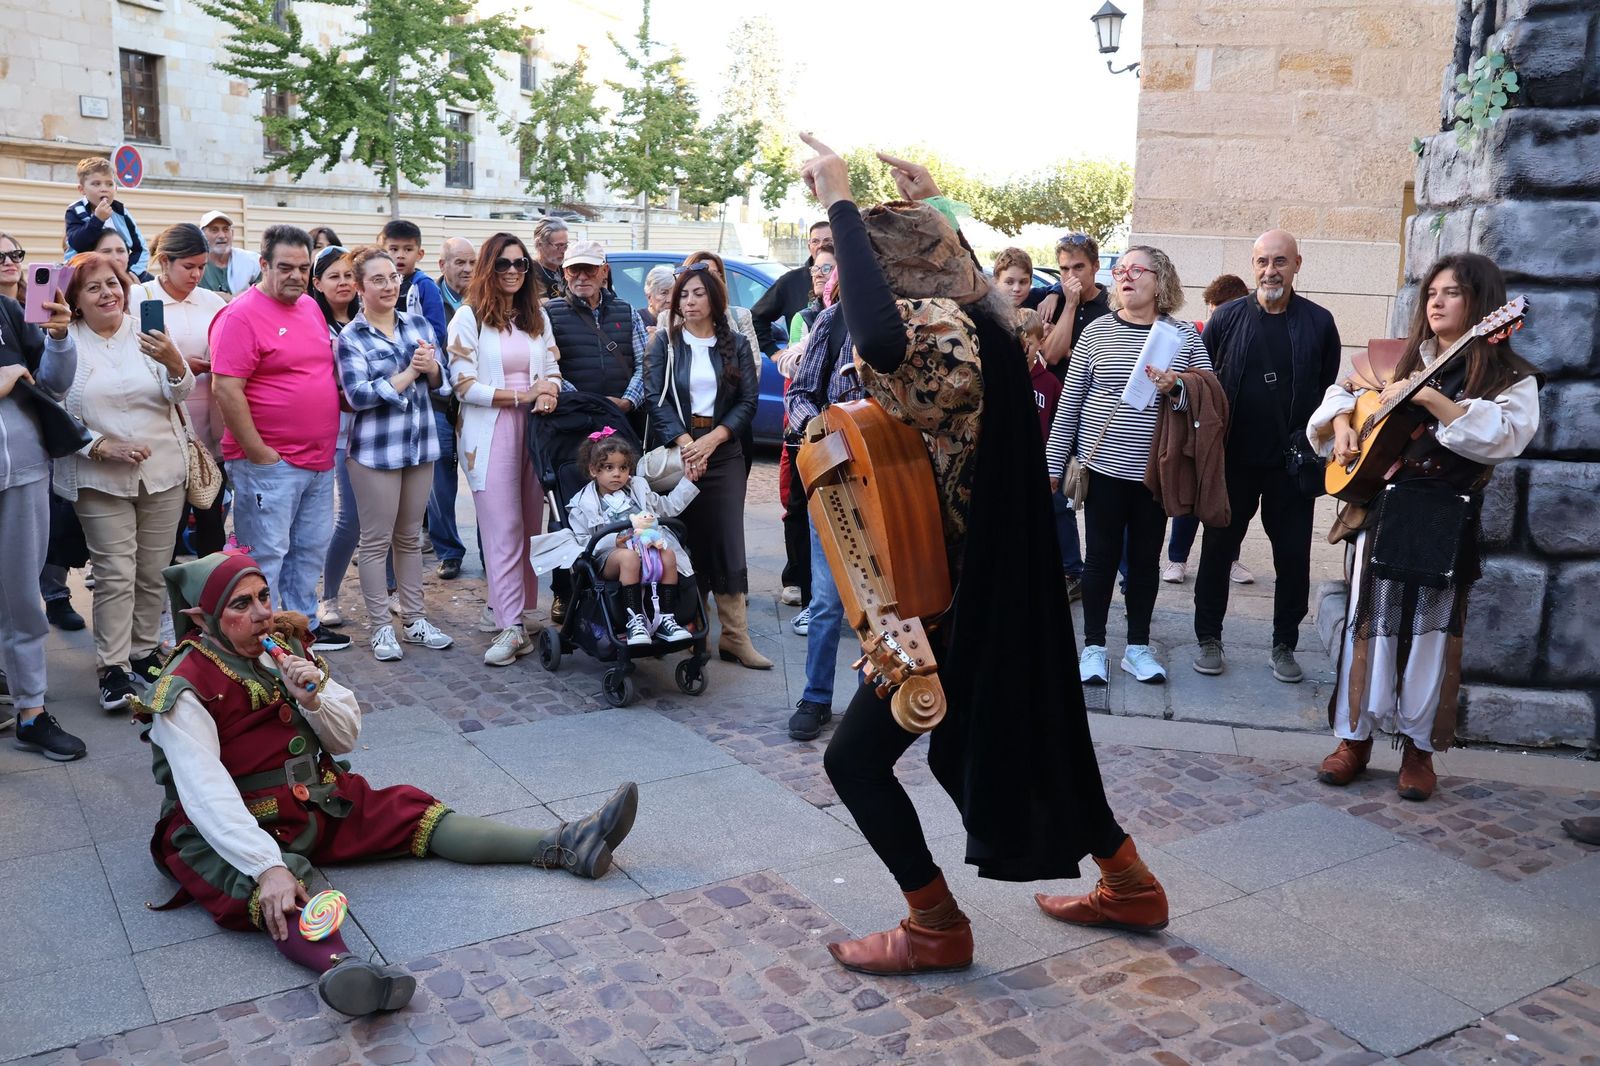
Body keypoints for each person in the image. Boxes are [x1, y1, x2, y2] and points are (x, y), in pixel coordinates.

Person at [797, 136, 1168, 977]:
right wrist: (941, 205)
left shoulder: (944, 342)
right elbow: (947, 275)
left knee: (852, 760)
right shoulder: (988, 324)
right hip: (992, 588)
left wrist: (843, 207)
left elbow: (883, 338)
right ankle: (1130, 884)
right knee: (1018, 741)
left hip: (955, 600)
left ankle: (934, 924)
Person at [139, 550, 639, 1016]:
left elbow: (345, 738)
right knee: (279, 883)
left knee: (406, 811)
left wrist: (312, 699)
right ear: (202, 620)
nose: (262, 614)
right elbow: (206, 794)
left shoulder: (284, 647)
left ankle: (564, 843)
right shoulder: (184, 686)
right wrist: (266, 865)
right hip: (230, 824)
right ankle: (344, 970)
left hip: (315, 798)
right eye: (241, 605)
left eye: (263, 597)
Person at [1310, 252, 1539, 801]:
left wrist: (1430, 396)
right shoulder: (1400, 355)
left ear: (1482, 304)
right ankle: (1354, 738)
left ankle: (1418, 748)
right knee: (1368, 626)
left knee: (1430, 634)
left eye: (1452, 292)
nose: (1436, 301)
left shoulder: (1509, 377)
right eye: (1432, 292)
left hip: (1443, 512)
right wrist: (1344, 423)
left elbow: (1505, 437)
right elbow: (1344, 390)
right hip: (1382, 508)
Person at [1045, 247, 1213, 685]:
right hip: (1103, 470)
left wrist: (1176, 386)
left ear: (1161, 279)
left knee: (1144, 561)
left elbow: (1211, 396)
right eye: (1120, 270)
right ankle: (1094, 647)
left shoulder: (1183, 336)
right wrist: (1052, 463)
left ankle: (1137, 647)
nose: (1125, 277)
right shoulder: (1097, 332)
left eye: (1137, 270)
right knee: (1099, 559)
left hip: (1158, 473)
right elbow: (1069, 406)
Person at [1191, 232, 1342, 683]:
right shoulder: (1228, 318)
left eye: (1280, 261)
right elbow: (1207, 378)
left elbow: (1325, 389)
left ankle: (1284, 644)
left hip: (1290, 467)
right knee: (1217, 550)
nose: (1270, 270)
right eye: (1262, 262)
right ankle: (1208, 638)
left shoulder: (1319, 322)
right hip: (1232, 461)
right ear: (1252, 265)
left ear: (1298, 263)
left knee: (1293, 558)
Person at [54, 252, 195, 710]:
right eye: (93, 287)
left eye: (113, 283)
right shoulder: (64, 342)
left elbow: (180, 392)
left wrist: (175, 362)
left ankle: (145, 651)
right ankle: (112, 667)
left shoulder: (146, 331)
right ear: (75, 299)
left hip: (163, 471)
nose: (107, 293)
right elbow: (54, 409)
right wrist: (97, 445)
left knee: (154, 571)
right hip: (99, 476)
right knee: (116, 573)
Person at [209, 224, 352, 654]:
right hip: (268, 464)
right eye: (285, 267)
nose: (296, 276)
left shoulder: (309, 307)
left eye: (304, 268)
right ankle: (259, 641)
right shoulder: (240, 315)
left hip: (316, 460)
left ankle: (301, 628)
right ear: (264, 265)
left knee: (309, 550)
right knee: (265, 557)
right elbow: (226, 388)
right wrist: (259, 453)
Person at [448, 232, 567, 666]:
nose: (514, 271)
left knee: (531, 526)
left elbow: (552, 367)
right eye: (504, 264)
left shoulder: (536, 316)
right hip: (490, 430)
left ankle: (519, 610)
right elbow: (463, 385)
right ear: (488, 268)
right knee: (503, 527)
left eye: (521, 264)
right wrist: (521, 395)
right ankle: (510, 625)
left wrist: (549, 392)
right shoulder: (468, 317)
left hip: (534, 430)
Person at [642, 262, 765, 669]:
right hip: (683, 451)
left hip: (724, 450)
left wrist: (714, 439)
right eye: (684, 295)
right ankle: (697, 629)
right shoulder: (667, 342)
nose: (690, 301)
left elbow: (748, 401)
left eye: (698, 293)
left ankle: (736, 636)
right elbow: (654, 398)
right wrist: (687, 444)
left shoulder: (736, 344)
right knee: (688, 537)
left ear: (715, 299)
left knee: (727, 536)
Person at [336, 248, 454, 663]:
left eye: (393, 277)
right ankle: (380, 626)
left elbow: (444, 387)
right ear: (360, 287)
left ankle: (416, 619)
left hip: (420, 445)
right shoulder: (351, 337)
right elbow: (358, 395)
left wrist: (433, 368)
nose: (389, 286)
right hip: (374, 452)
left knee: (409, 538)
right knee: (375, 542)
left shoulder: (419, 324)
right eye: (378, 280)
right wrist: (408, 373)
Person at [0, 283, 88, 759]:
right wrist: (6, 376)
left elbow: (52, 385)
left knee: (21, 600)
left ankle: (30, 712)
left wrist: (57, 338)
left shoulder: (7, 310)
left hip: (24, 472)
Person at [542, 240, 649, 624]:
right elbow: (548, 367)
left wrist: (627, 401)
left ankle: (631, 580)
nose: (582, 277)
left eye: (589, 269)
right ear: (564, 273)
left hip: (621, 424)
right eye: (574, 270)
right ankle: (563, 592)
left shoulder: (627, 312)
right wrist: (590, 403)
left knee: (625, 501)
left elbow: (643, 363)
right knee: (567, 508)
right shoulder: (549, 314)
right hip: (571, 427)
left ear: (604, 271)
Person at [782, 258, 862, 739]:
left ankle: (893, 697)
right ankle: (816, 697)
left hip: (898, 484)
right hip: (836, 478)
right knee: (828, 600)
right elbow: (801, 395)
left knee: (894, 603)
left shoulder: (916, 321)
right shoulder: (834, 320)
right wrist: (828, 436)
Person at [0, 232, 89, 630]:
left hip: (27, 461)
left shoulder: (19, 312)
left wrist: (58, 336)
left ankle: (24, 682)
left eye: (15, 253)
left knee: (21, 578)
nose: (9, 261)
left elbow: (51, 385)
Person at [133, 224, 231, 561]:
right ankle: (165, 606)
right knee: (165, 529)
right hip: (161, 427)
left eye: (202, 267)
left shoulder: (213, 302)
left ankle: (212, 598)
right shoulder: (139, 299)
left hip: (209, 427)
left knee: (211, 521)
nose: (196, 275)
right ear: (164, 261)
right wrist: (176, 364)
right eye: (188, 267)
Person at [563, 431, 695, 647]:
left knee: (669, 555)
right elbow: (582, 542)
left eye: (623, 468)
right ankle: (635, 621)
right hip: (608, 556)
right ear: (593, 470)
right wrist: (613, 541)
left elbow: (666, 508)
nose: (617, 474)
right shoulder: (581, 504)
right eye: (609, 468)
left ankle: (666, 618)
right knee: (629, 558)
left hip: (647, 547)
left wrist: (688, 481)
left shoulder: (637, 488)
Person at [1164, 273, 1252, 585]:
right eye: (1214, 308)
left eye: (1225, 307)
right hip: (1198, 425)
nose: (1220, 315)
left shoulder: (1251, 333)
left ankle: (1231, 558)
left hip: (1234, 428)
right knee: (1191, 493)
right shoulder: (1198, 334)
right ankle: (1177, 559)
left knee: (1227, 498)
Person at [775, 241, 837, 616]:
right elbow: (796, 370)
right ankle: (800, 581)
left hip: (846, 430)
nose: (818, 274)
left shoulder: (853, 318)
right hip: (808, 431)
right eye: (816, 268)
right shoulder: (808, 318)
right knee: (800, 504)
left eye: (827, 268)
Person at [310, 247, 366, 629]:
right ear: (318, 284)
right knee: (352, 518)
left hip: (379, 427)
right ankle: (328, 597)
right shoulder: (313, 323)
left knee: (388, 518)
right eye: (334, 276)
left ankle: (393, 590)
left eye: (348, 275)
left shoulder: (371, 318)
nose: (343, 282)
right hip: (340, 432)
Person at [427, 236, 476, 579]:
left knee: (486, 482)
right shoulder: (427, 299)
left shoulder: (485, 299)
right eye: (460, 262)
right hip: (439, 403)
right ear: (442, 266)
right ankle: (449, 551)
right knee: (440, 482)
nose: (468, 270)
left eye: (472, 262)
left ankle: (493, 553)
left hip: (478, 405)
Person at [750, 219, 831, 354]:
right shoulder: (790, 281)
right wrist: (773, 351)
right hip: (801, 369)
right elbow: (755, 318)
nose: (821, 246)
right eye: (815, 241)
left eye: (828, 241)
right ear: (809, 245)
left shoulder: (850, 281)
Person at [64, 156, 150, 278]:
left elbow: (141, 248)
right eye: (96, 184)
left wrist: (132, 273)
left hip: (118, 274)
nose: (104, 189)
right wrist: (97, 220)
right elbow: (77, 243)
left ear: (116, 188)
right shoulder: (76, 211)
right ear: (82, 189)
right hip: (83, 275)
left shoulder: (121, 212)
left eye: (109, 184)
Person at [197, 211, 261, 300]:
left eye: (226, 229)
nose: (222, 236)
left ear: (232, 233)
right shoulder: (196, 265)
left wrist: (232, 298)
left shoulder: (252, 261)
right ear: (202, 235)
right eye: (214, 230)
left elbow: (265, 292)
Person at [533, 217, 569, 300]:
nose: (564, 251)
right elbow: (543, 305)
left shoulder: (566, 267)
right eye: (558, 246)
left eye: (565, 245)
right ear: (540, 244)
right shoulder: (531, 270)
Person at [640, 265, 674, 332]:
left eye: (675, 293)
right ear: (649, 296)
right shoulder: (637, 322)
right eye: (664, 293)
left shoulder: (683, 322)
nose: (670, 300)